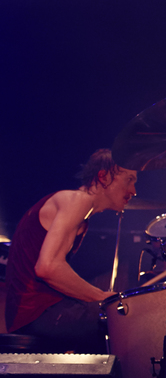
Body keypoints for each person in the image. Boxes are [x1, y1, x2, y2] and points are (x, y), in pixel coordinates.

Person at [4, 149, 137, 348]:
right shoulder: (77, 200)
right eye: (129, 179)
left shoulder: (79, 210)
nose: (133, 190)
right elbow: (47, 267)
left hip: (32, 313)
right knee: (124, 324)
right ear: (103, 177)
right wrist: (100, 296)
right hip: (37, 313)